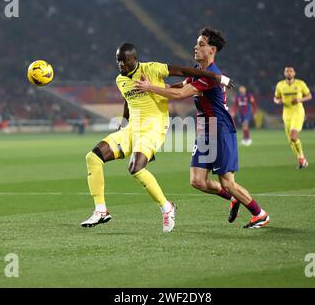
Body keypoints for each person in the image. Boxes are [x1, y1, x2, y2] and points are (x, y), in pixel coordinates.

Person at [80, 43, 232, 232]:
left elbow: (183, 71)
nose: (121, 64)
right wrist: (124, 121)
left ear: (134, 59)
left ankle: (167, 208)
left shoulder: (151, 68)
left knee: (135, 168)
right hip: (132, 129)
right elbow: (128, 100)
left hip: (153, 127)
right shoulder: (120, 80)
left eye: (125, 60)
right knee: (93, 157)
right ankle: (101, 210)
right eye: (118, 61)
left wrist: (217, 77)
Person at [135, 27, 269, 229]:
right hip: (206, 131)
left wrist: (150, 89)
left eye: (201, 44)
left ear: (212, 50)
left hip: (220, 129)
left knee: (227, 183)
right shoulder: (199, 71)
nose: (196, 47)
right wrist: (152, 86)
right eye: (197, 43)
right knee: (198, 181)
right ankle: (234, 198)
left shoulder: (211, 74)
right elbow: (178, 87)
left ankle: (260, 214)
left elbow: (181, 96)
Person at [274, 67, 312, 169]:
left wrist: (300, 99)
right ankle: (302, 159)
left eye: (291, 71)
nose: (289, 73)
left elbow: (309, 96)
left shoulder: (300, 83)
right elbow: (276, 98)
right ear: (284, 73)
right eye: (287, 71)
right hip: (286, 113)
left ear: (294, 73)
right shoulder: (280, 85)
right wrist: (278, 101)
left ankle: (301, 157)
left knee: (293, 136)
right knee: (291, 141)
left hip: (298, 112)